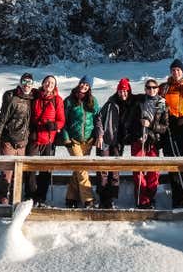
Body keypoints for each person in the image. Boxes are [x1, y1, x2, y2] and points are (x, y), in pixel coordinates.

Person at [158, 59, 183, 208]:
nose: (176, 72)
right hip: (170, 128)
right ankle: (177, 200)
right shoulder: (165, 87)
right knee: (173, 164)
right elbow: (156, 101)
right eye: (173, 70)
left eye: (178, 70)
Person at [0, 72, 35, 204]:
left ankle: (15, 200)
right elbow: (1, 121)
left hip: (23, 142)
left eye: (29, 82)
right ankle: (3, 199)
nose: (27, 85)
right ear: (20, 83)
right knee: (6, 172)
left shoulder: (32, 98)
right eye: (24, 82)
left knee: (18, 173)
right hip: (8, 141)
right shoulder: (12, 98)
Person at [60, 75, 99, 208]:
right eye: (83, 84)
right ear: (79, 83)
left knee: (78, 169)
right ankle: (88, 199)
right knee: (82, 169)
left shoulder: (93, 100)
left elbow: (97, 119)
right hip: (73, 140)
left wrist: (95, 136)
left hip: (87, 141)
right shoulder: (69, 101)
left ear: (89, 88)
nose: (84, 86)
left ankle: (71, 198)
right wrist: (65, 138)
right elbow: (63, 121)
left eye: (87, 85)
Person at [25, 75, 65, 207]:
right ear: (42, 83)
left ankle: (41, 197)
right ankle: (30, 196)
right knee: (29, 169)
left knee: (45, 170)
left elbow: (61, 120)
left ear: (55, 86)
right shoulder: (34, 96)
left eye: (52, 83)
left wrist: (54, 126)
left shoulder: (57, 100)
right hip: (34, 138)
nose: (49, 84)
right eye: (47, 82)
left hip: (48, 139)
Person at [128, 78, 169, 209]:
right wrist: (138, 133)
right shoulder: (138, 102)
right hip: (139, 141)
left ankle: (150, 198)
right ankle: (142, 200)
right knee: (138, 172)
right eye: (148, 87)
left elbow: (165, 127)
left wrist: (151, 125)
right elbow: (131, 122)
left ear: (158, 89)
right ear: (145, 89)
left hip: (153, 142)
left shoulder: (162, 105)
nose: (151, 90)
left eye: (154, 87)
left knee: (153, 172)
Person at [94, 78, 132, 209]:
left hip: (119, 142)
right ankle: (103, 198)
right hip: (105, 140)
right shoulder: (110, 103)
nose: (123, 93)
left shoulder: (130, 104)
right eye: (121, 91)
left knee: (115, 170)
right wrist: (99, 135)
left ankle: (111, 198)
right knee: (102, 170)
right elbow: (98, 118)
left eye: (125, 91)